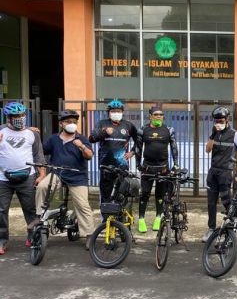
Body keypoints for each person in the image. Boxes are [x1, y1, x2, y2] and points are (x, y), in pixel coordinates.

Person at [32, 110, 95, 249]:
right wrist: (32, 134)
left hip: (78, 176)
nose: (72, 124)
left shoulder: (81, 138)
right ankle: (39, 216)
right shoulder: (54, 139)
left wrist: (82, 146)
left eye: (74, 122)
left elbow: (89, 156)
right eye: (68, 121)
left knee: (83, 205)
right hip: (58, 173)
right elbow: (40, 151)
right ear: (61, 124)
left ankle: (90, 235)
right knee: (42, 186)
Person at [0, 102, 46, 255]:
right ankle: (2, 241)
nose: (20, 118)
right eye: (16, 116)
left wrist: (42, 174)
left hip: (27, 176)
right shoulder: (1, 131)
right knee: (1, 211)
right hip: (3, 179)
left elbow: (39, 155)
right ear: (9, 118)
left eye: (22, 115)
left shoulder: (32, 133)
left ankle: (32, 236)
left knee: (30, 209)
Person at [202, 106, 237, 242]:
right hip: (213, 171)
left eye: (221, 120)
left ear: (227, 120)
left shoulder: (235, 134)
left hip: (226, 173)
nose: (218, 123)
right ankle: (211, 229)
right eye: (216, 121)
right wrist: (212, 135)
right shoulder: (214, 133)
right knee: (211, 202)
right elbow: (207, 150)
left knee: (227, 201)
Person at [135, 106, 179, 233]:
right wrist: (138, 163)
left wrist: (175, 164)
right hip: (147, 168)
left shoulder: (168, 130)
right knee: (144, 194)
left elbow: (174, 147)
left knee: (160, 195)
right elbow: (138, 148)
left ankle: (158, 217)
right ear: (150, 116)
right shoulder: (143, 130)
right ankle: (141, 219)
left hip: (163, 168)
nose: (159, 116)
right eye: (156, 114)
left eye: (161, 114)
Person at [89, 99, 138, 206]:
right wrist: (104, 133)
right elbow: (91, 139)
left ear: (122, 112)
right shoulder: (102, 124)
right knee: (105, 195)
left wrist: (132, 152)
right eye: (113, 111)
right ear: (108, 112)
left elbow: (139, 141)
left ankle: (120, 219)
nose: (116, 113)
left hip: (122, 166)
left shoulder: (128, 125)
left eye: (118, 111)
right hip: (105, 166)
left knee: (122, 194)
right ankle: (105, 219)